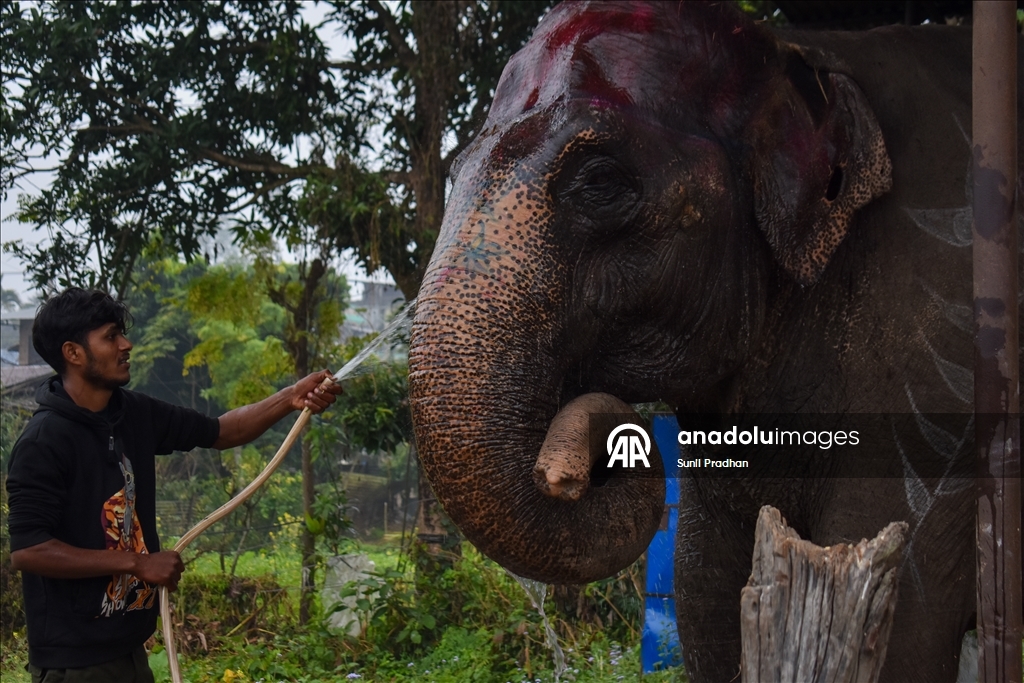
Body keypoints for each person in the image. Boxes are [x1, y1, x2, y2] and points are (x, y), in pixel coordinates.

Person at [5, 288, 343, 682]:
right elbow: (30, 551)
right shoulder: (43, 441)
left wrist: (291, 397)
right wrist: (138, 563)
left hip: (129, 646)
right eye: (111, 336)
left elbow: (221, 430)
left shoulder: (132, 413)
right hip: (76, 661)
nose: (126, 344)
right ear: (73, 353)